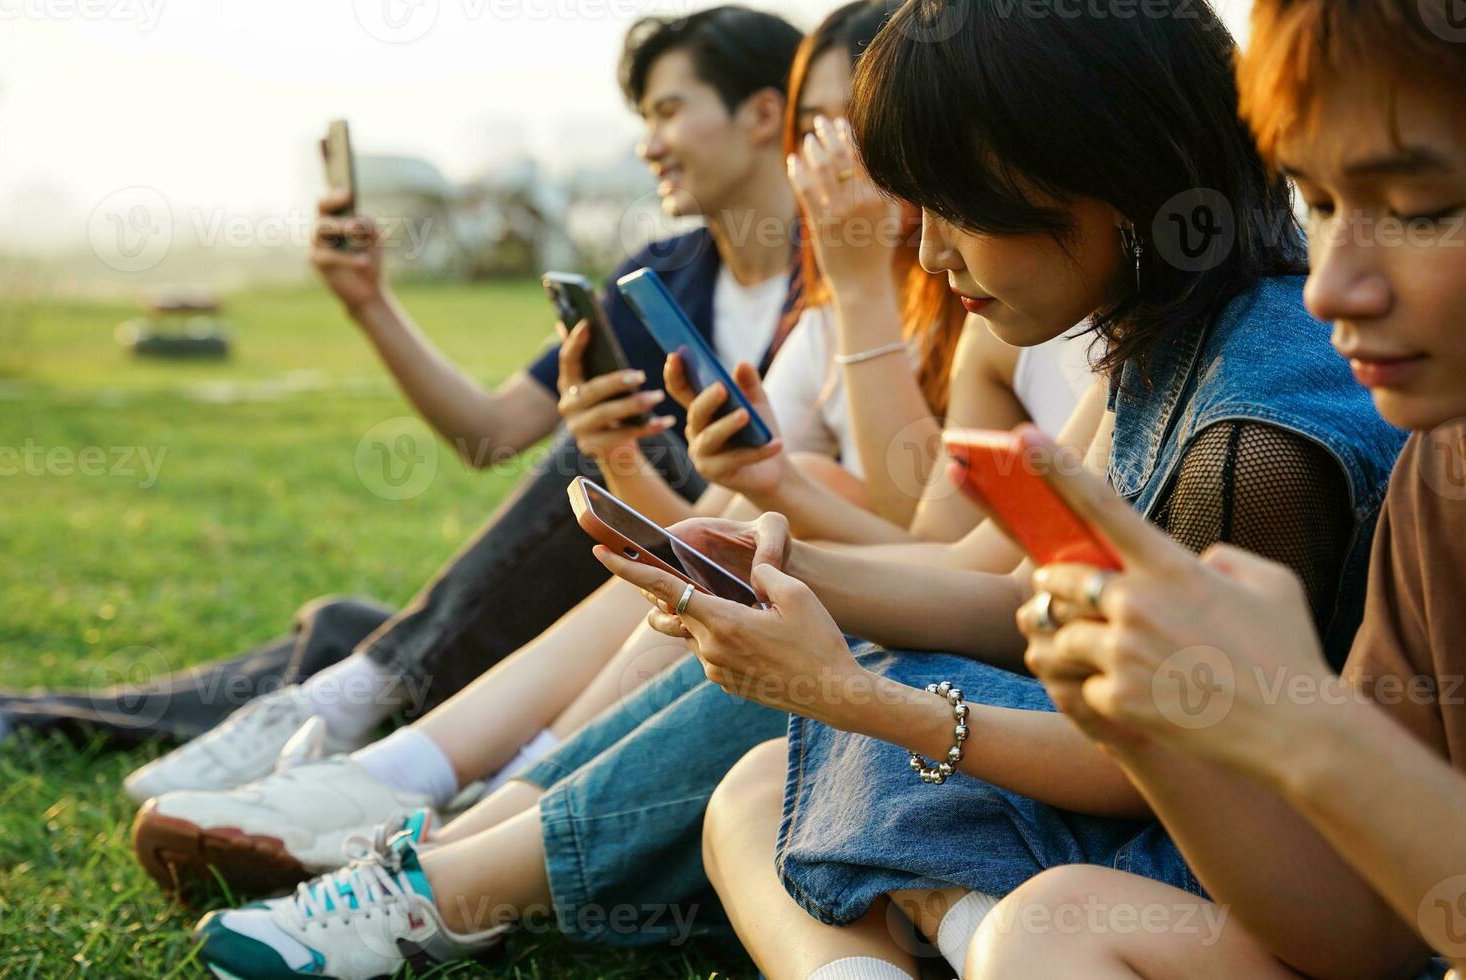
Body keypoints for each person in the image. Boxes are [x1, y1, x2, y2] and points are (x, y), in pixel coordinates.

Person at [180, 5, 1098, 976]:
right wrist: (697, 493)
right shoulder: (681, 269)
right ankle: (422, 785)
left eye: (862, 128)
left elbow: (933, 538)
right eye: (819, 124)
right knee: (681, 525)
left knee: (773, 624)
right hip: (893, 635)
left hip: (1020, 716)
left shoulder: (949, 289)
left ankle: (428, 812)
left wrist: (779, 495)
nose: (840, 157)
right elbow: (961, 557)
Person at [596, 0, 1411, 976]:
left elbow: (1156, 766)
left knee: (839, 729)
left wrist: (844, 688)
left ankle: (957, 917)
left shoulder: (1252, 442)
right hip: (1170, 808)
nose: (933, 255)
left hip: (1234, 868)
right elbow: (1018, 594)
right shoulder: (1166, 330)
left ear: (1108, 171)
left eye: (962, 208)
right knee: (757, 789)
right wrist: (783, 565)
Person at [16, 6, 803, 802]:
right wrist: (369, 303)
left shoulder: (837, 289)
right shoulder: (663, 277)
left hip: (692, 609)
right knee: (357, 634)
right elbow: (490, 434)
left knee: (596, 476)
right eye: (644, 119)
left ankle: (354, 692)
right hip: (580, 617)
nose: (649, 144)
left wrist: (624, 460)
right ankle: (56, 714)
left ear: (763, 113)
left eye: (669, 111)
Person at [962, 2, 1466, 979]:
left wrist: (1302, 719)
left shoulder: (1262, 431)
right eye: (1316, 203)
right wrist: (1152, 728)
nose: (1330, 286)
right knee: (1045, 923)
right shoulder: (1438, 473)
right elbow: (1364, 930)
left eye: (1415, 207)